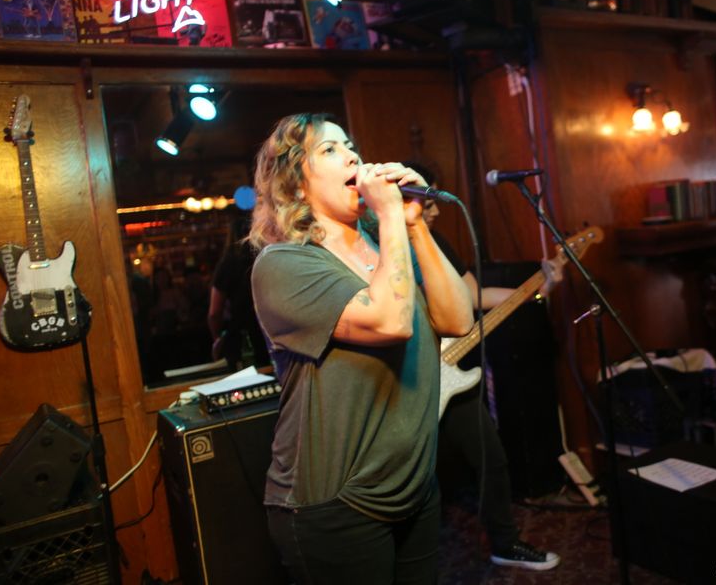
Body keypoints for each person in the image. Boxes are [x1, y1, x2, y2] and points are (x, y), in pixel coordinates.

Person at [249, 113, 473, 584]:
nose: (353, 156)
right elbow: (391, 321)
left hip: (413, 486)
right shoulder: (284, 264)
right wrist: (390, 216)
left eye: (349, 145)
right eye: (329, 150)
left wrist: (413, 224)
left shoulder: (388, 245)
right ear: (295, 185)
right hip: (334, 506)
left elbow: (458, 319)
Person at [403, 161, 563, 571]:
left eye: (435, 200)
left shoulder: (437, 243)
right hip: (405, 378)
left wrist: (539, 290)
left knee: (491, 456)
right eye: (426, 201)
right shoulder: (377, 244)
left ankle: (504, 543)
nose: (434, 210)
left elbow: (473, 295)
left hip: (450, 374)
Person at [208, 213, 270, 371]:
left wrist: (217, 339)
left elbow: (215, 312)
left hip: (241, 335)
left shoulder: (228, 264)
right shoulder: (266, 258)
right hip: (268, 330)